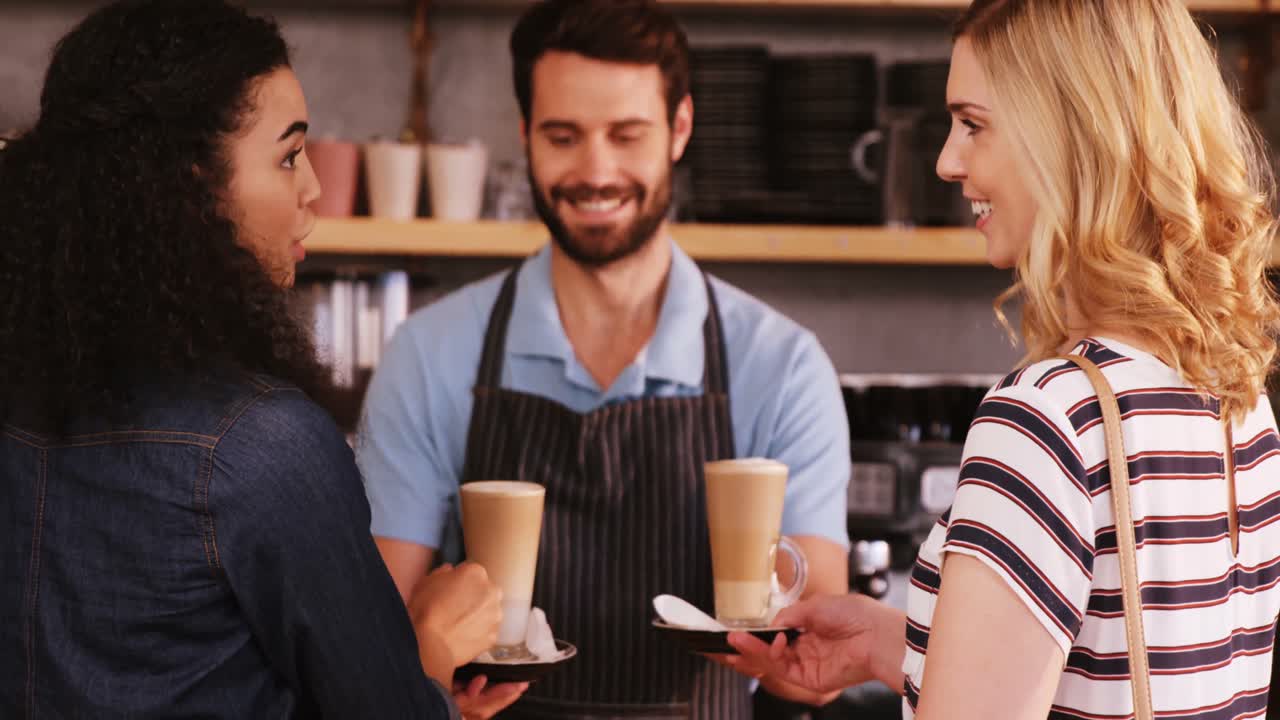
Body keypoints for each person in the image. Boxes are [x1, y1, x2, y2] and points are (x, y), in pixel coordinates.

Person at [729, 1, 1280, 718]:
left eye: (974, 125)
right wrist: (889, 642)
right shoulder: (1233, 396)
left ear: (1072, 139)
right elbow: (1100, 666)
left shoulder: (1050, 417)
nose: (947, 161)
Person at [0, 1, 503, 717]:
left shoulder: (19, 395)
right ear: (188, 185)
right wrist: (431, 645)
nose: (314, 189)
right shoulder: (261, 447)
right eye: (289, 154)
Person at [356, 0, 851, 717]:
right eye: (563, 136)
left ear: (680, 128)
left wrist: (780, 634)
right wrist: (427, 668)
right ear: (524, 134)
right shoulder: (431, 355)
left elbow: (818, 669)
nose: (595, 171)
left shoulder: (781, 366)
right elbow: (374, 639)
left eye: (627, 135)